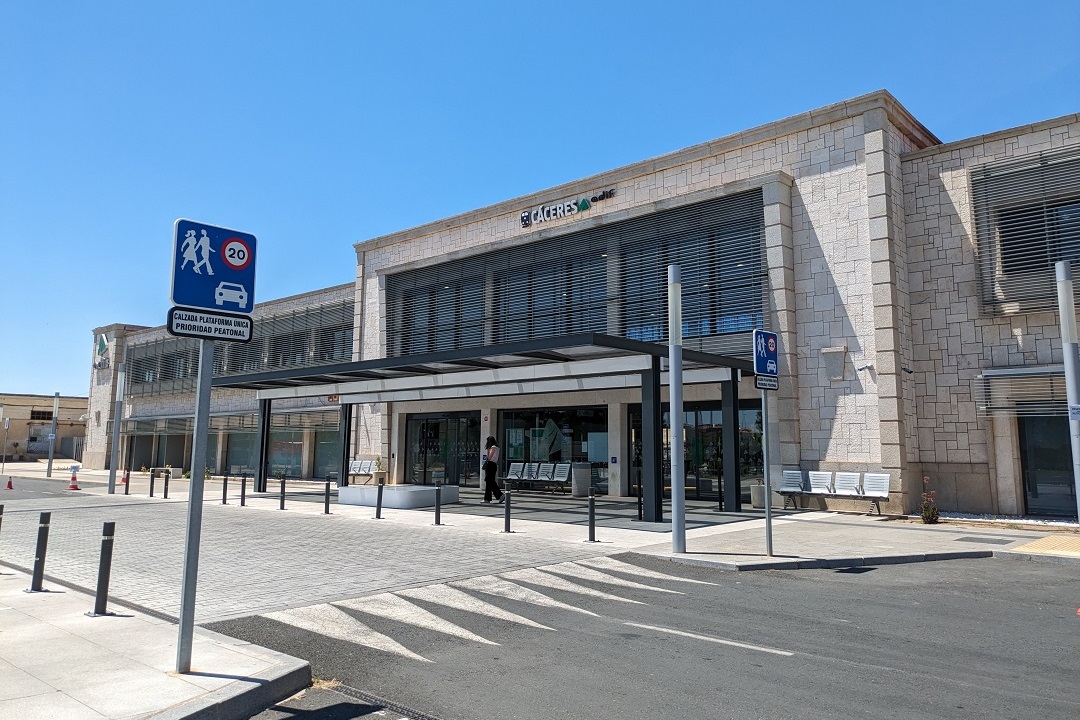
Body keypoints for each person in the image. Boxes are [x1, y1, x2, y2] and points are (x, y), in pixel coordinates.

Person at [482, 435, 503, 503]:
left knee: (490, 481)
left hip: (490, 465)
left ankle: (499, 495)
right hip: (493, 465)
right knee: (489, 481)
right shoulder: (497, 448)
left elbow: (489, 458)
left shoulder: (493, 448)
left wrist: (488, 450)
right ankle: (488, 498)